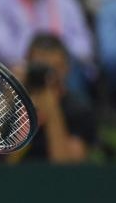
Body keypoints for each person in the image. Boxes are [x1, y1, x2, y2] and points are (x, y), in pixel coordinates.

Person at [15, 33, 93, 163]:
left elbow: (66, 166)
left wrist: (51, 110)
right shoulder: (12, 101)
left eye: (55, 69)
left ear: (67, 68)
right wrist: (12, 93)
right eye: (40, 69)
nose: (49, 77)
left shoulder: (79, 109)